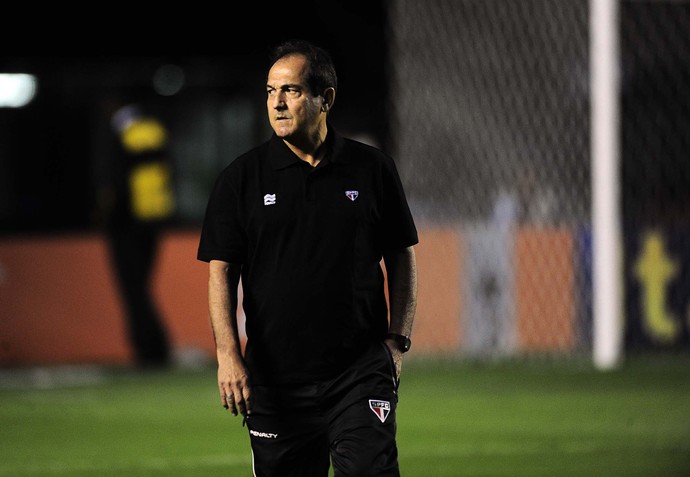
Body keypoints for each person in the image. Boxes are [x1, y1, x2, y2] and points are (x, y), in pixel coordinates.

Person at [197, 39, 418, 476]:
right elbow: (221, 273)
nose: (276, 103)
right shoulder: (240, 179)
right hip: (276, 383)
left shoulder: (372, 169)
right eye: (269, 91)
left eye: (291, 91)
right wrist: (227, 355)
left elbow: (402, 258)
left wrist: (397, 342)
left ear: (325, 99)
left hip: (358, 374)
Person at [93, 87, 176, 369]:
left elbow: (110, 181)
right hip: (153, 221)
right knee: (142, 286)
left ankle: (150, 350)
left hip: (124, 224)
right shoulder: (152, 128)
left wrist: (105, 217)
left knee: (133, 289)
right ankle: (156, 347)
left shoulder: (115, 132)